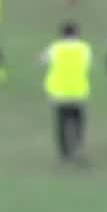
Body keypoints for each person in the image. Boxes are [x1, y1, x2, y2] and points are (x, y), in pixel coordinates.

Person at [42, 21, 92, 165]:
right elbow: (87, 64)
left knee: (61, 123)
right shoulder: (84, 48)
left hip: (59, 93)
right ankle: (78, 148)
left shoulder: (55, 48)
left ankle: (64, 152)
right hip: (79, 92)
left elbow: (42, 60)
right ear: (77, 33)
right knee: (79, 122)